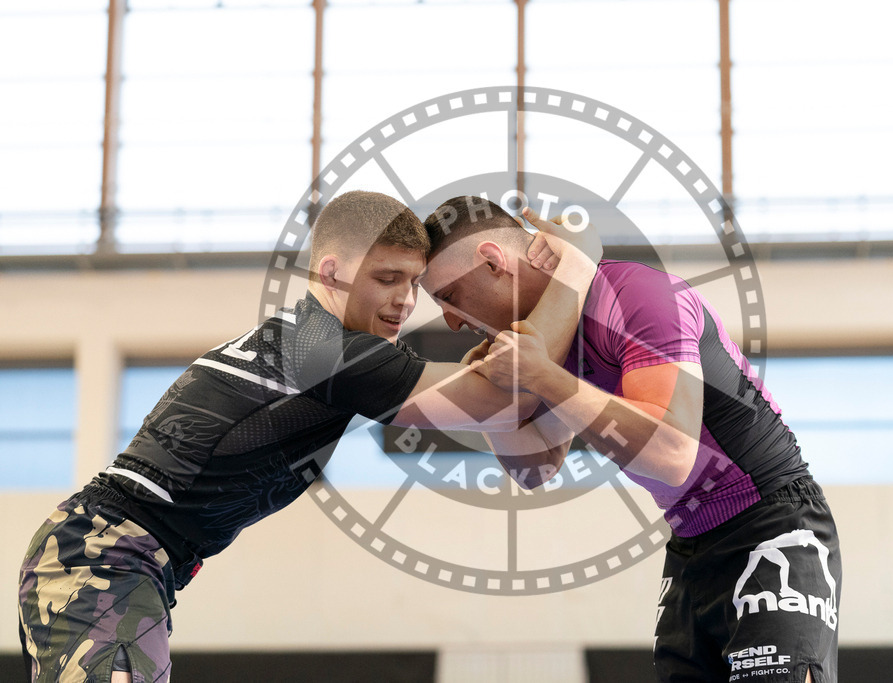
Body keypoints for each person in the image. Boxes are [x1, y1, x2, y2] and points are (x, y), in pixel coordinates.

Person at [17, 190, 597, 683]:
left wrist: (526, 362)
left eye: (416, 283)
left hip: (127, 562)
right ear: (332, 273)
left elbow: (530, 455)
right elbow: (499, 394)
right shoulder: (324, 352)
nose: (406, 300)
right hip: (100, 555)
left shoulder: (329, 348)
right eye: (387, 279)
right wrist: (572, 275)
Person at [421, 195, 842, 683]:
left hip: (771, 521)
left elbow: (672, 453)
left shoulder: (637, 294)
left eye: (448, 297)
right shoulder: (552, 341)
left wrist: (540, 376)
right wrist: (498, 404)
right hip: (690, 544)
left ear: (494, 262)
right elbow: (534, 468)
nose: (451, 321)